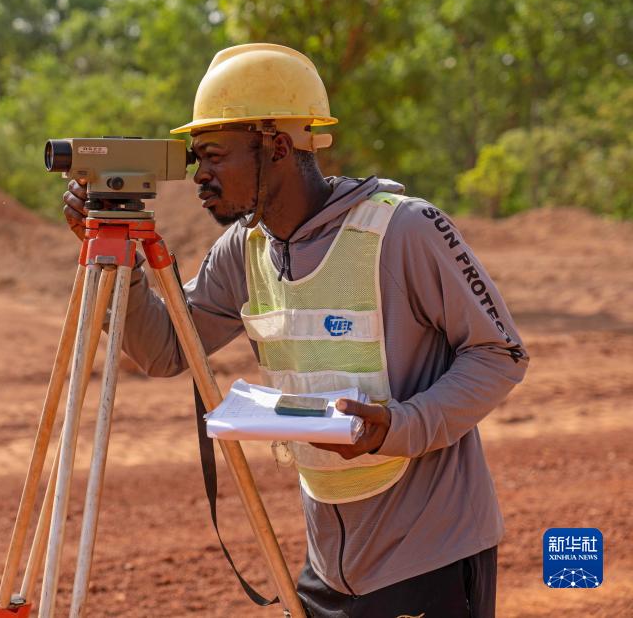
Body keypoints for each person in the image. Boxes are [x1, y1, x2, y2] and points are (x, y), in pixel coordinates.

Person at [61, 43, 528, 617]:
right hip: (326, 565)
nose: (199, 175)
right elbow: (164, 351)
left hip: (427, 554)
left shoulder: (404, 230)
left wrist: (399, 427)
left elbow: (500, 353)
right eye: (195, 157)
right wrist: (121, 264)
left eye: (213, 155)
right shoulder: (245, 250)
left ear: (277, 147)